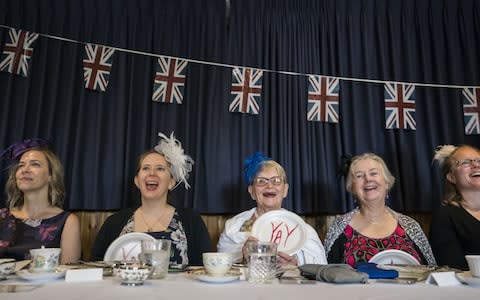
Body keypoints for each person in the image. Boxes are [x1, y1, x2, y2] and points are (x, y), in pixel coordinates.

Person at [91, 132, 212, 266]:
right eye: (146, 168)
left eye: (160, 169)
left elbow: (204, 268)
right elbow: (96, 265)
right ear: (137, 181)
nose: (152, 173)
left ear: (171, 182)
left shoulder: (191, 221)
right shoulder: (114, 222)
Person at [324, 152, 436, 267]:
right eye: (359, 176)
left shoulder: (411, 226)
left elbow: (432, 270)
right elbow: (324, 274)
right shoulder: (339, 228)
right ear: (352, 188)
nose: (368, 179)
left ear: (386, 182)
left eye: (373, 173)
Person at [217, 152, 327, 266]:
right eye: (261, 181)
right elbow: (221, 267)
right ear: (252, 191)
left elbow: (320, 269)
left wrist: (296, 266)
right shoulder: (234, 227)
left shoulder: (303, 231)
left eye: (276, 181)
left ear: (285, 190)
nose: (269, 186)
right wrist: (243, 260)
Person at [0, 138, 81, 263]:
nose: (25, 170)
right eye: (21, 165)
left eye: (35, 164)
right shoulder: (2, 217)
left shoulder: (67, 221)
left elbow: (68, 275)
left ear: (50, 176)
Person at [430, 144, 480, 270]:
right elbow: (452, 268)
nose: (476, 165)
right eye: (465, 162)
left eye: (479, 160)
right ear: (451, 177)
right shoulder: (445, 216)